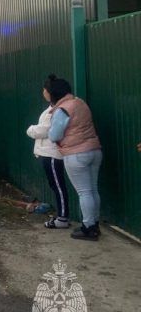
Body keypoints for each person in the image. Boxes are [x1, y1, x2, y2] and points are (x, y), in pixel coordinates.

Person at [46, 75, 102, 241]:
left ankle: (88, 227)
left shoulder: (62, 110)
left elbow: (55, 134)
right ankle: (94, 223)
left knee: (84, 192)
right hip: (94, 150)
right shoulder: (80, 103)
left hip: (76, 154)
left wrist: (49, 133)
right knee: (92, 189)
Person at [26, 81, 70, 229]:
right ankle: (61, 215)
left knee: (58, 185)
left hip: (53, 154)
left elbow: (45, 131)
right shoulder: (52, 108)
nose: (43, 92)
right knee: (55, 184)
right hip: (47, 152)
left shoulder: (57, 110)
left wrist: (31, 129)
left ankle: (63, 217)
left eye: (45, 90)